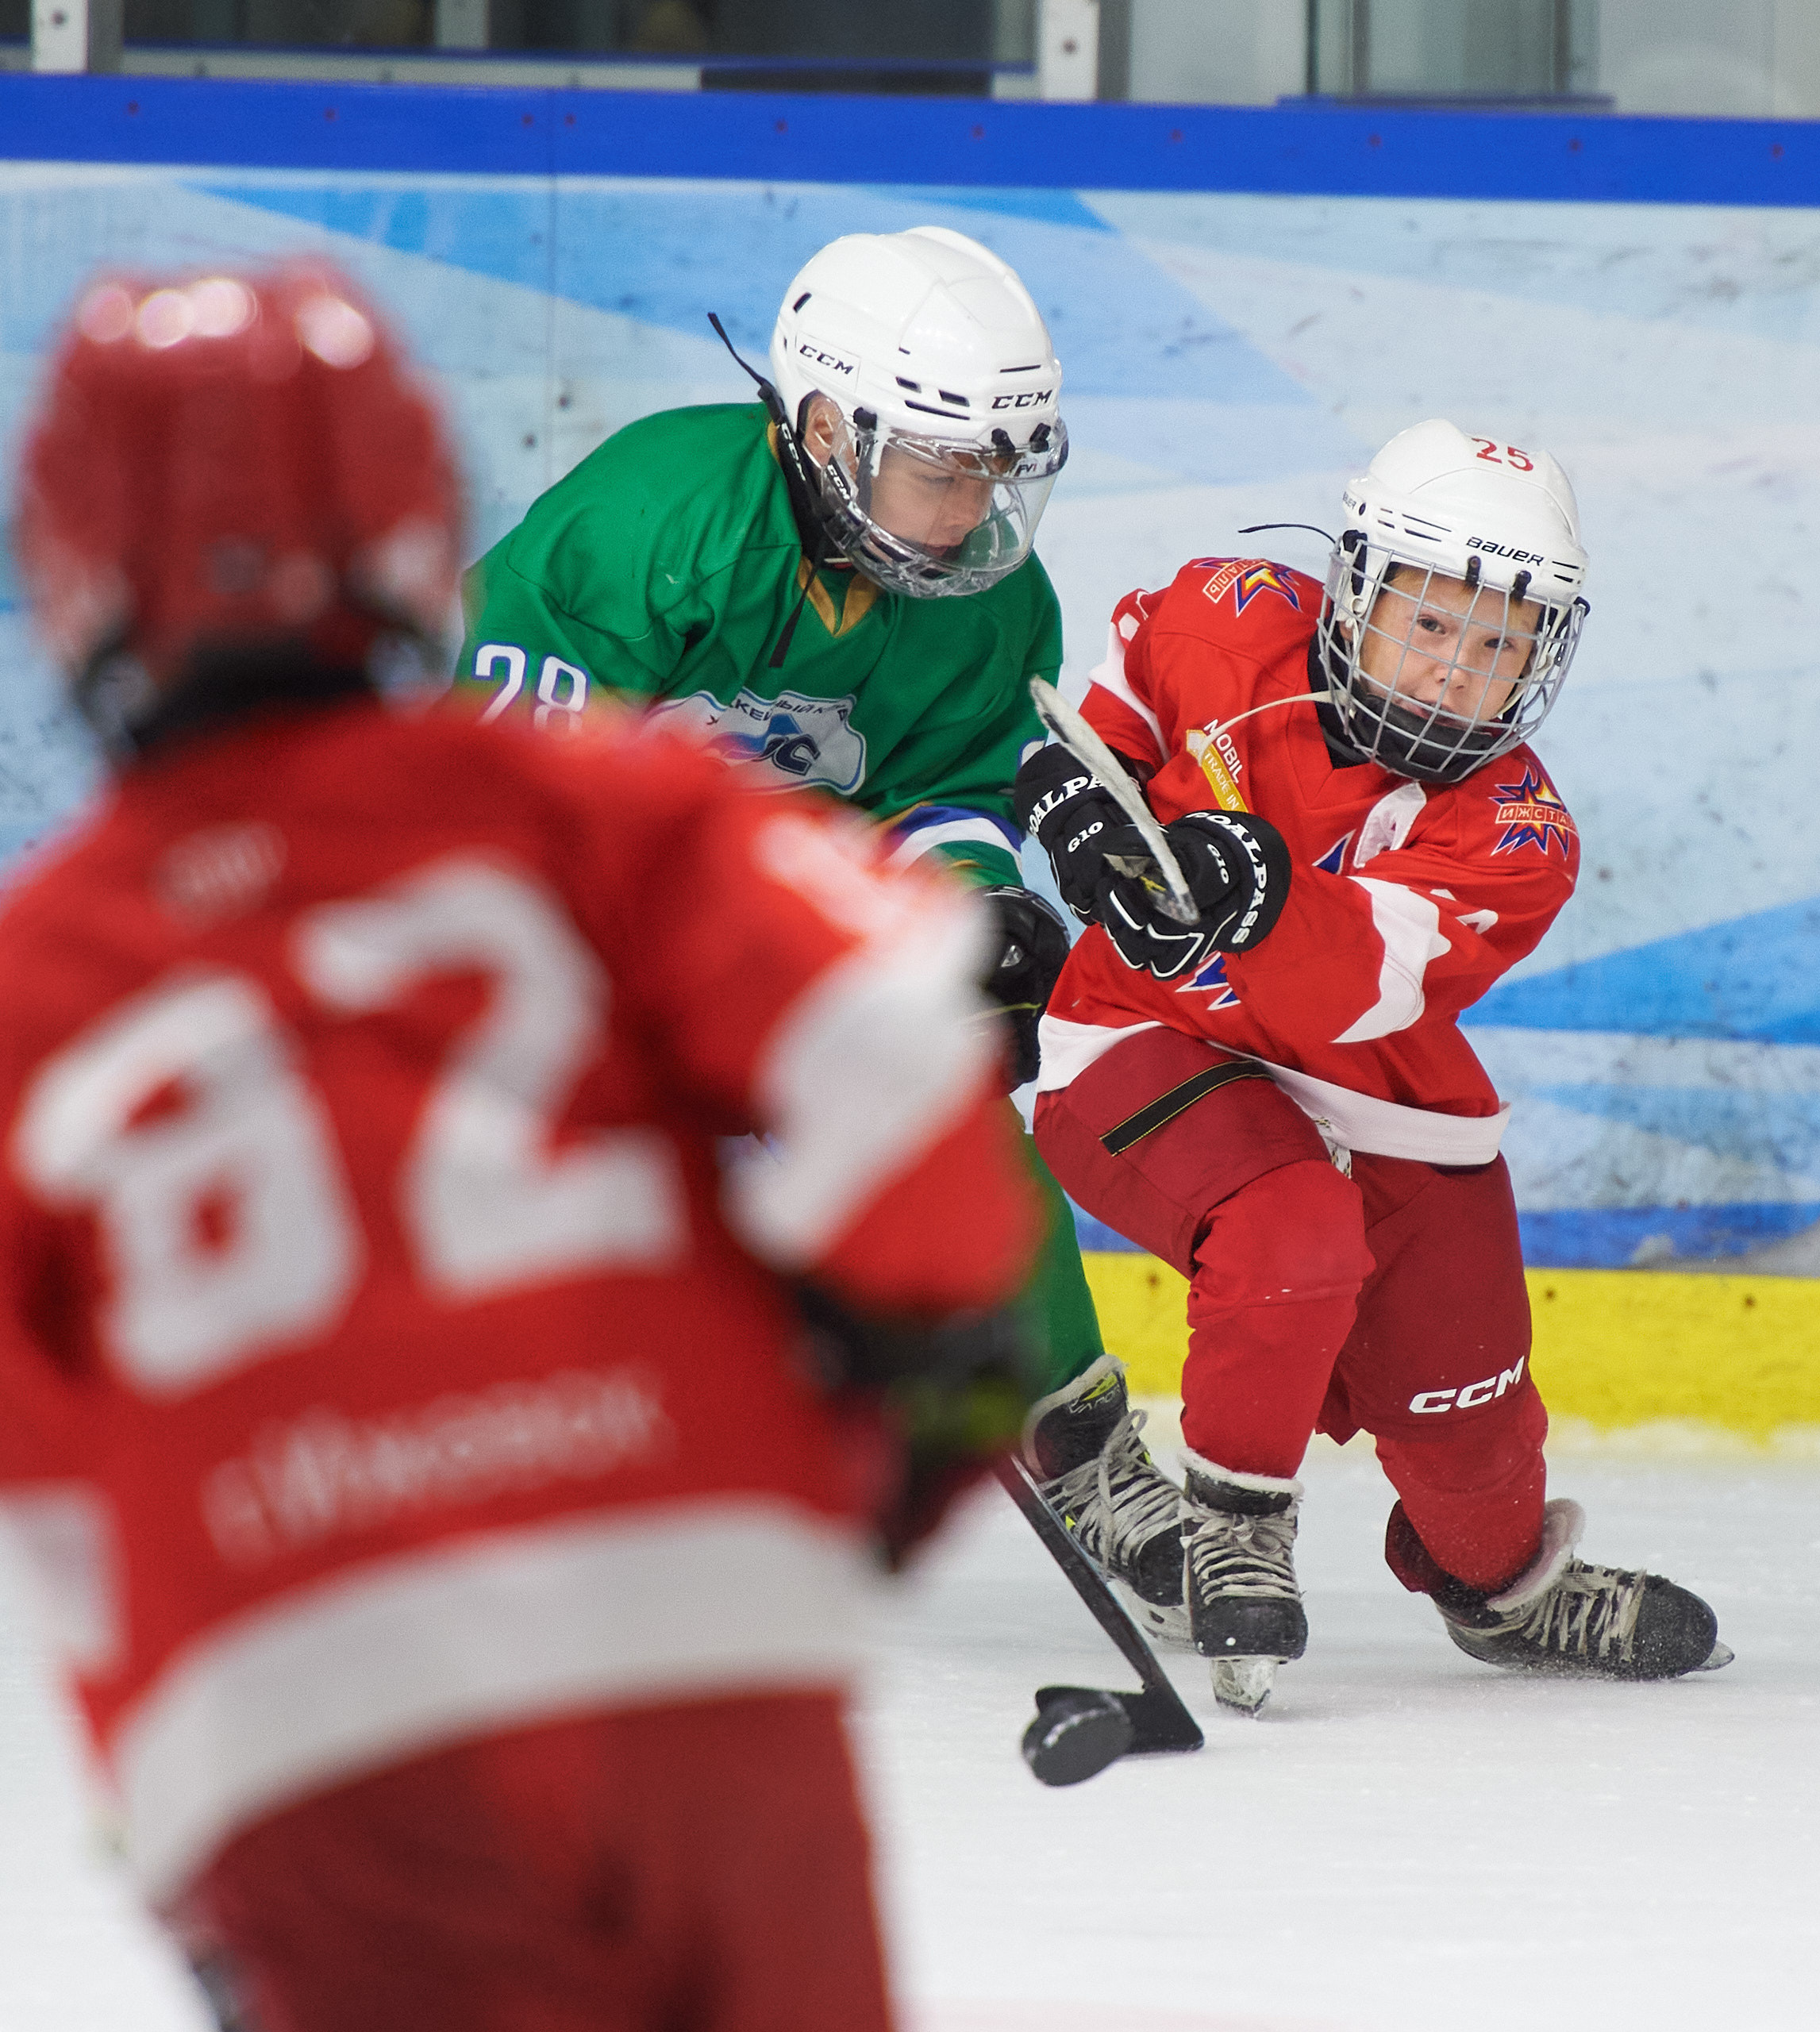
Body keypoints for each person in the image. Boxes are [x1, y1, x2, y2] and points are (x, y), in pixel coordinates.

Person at [0, 262, 1041, 2032]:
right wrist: (917, 1413)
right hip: (697, 1637)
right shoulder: (613, 809)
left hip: (317, 1731)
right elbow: (897, 1047)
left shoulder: (38, 982)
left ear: (70, 572)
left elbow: (64, 1504)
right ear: (421, 530)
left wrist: (182, 1809)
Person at [1013, 420, 1730, 1714]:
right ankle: (1237, 1527)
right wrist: (1071, 796)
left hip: (1385, 1101)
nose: (1459, 670)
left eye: (1501, 644)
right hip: (1144, 1040)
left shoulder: (1521, 835)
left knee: (1472, 1436)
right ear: (1356, 589)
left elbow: (1369, 981)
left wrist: (1258, 888)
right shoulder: (1227, 613)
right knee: (1291, 1224)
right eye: (1432, 622)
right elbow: (1103, 716)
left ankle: (1505, 1588)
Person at [453, 224, 1106, 1399]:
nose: (972, 510)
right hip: (571, 912)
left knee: (951, 1122)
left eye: (994, 471)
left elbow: (943, 788)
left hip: (781, 921)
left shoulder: (991, 605)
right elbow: (502, 797)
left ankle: (1070, 1429)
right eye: (940, 470)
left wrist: (973, 920)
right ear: (825, 430)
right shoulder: (648, 526)